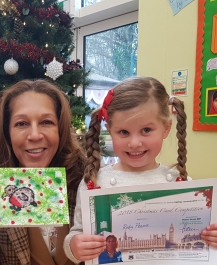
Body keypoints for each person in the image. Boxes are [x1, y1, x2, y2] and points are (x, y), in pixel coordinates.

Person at [0, 79, 86, 265]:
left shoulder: (88, 184)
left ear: (60, 130)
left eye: (46, 122)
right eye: (21, 124)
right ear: (7, 133)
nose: (34, 135)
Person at [63, 76, 189, 263]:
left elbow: (194, 235)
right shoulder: (95, 182)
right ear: (109, 130)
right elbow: (77, 233)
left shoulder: (180, 182)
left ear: (166, 128)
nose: (134, 143)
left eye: (146, 130)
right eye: (123, 132)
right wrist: (74, 245)